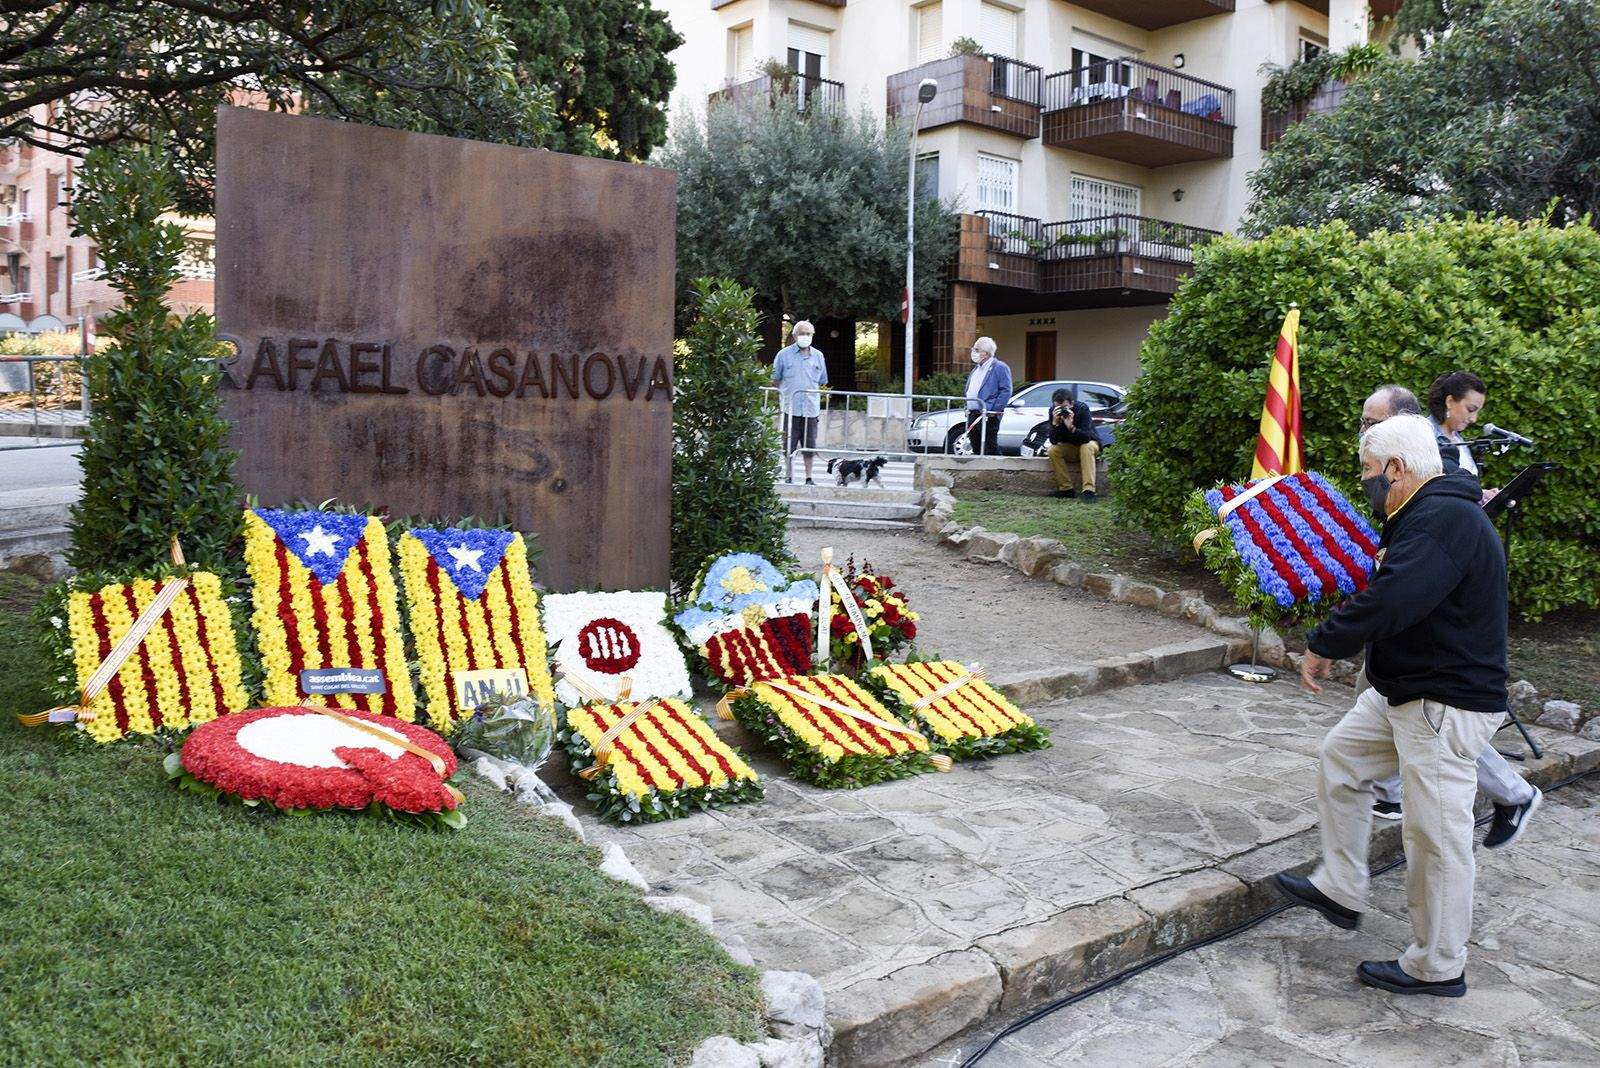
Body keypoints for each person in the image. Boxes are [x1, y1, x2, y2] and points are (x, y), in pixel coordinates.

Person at [1276, 414, 1519, 998]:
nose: (1365, 484)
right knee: (1343, 758)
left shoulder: (1445, 519)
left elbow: (1396, 597)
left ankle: (1437, 965)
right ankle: (1340, 885)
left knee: (1435, 836)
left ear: (1397, 469)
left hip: (1443, 701)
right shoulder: (1428, 514)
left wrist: (1324, 641)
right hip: (1406, 691)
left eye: (1367, 473)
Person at [1356, 385, 1538, 843]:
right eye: (1364, 421)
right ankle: (1391, 791)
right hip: (1411, 624)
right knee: (1385, 702)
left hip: (1437, 633)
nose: (1364, 431)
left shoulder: (1431, 462)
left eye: (1372, 424)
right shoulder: (1406, 457)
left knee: (1439, 722)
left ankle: (1510, 792)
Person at [772, 321, 828, 485]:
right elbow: (775, 379)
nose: (805, 336)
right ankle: (789, 475)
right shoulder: (783, 355)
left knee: (809, 446)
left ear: (812, 335)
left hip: (811, 410)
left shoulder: (818, 355)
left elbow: (822, 380)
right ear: (795, 336)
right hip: (791, 408)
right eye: (802, 333)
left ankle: (808, 477)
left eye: (808, 333)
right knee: (788, 445)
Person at [1047, 387, 1101, 502]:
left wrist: (1071, 427)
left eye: (1064, 407)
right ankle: (1066, 489)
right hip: (1071, 448)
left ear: (1072, 404)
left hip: (1090, 445)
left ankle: (1089, 490)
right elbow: (1053, 441)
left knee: (1086, 447)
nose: (1061, 410)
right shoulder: (1053, 411)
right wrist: (1055, 424)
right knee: (1053, 450)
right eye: (1058, 407)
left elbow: (1086, 437)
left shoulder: (1082, 409)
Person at [963, 336, 1012, 456]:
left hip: (988, 413)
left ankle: (998, 470)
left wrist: (994, 410)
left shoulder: (1000, 367)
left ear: (985, 353)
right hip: (973, 412)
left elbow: (1006, 390)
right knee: (975, 443)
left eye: (976, 349)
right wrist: (966, 406)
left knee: (990, 445)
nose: (973, 352)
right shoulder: (977, 368)